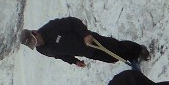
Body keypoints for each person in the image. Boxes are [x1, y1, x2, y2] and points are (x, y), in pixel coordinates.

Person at [19, 17, 150, 67]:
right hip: (87, 52)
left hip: (90, 40)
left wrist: (85, 34)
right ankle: (131, 58)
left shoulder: (52, 27)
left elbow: (73, 22)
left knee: (116, 46)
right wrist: (74, 61)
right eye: (33, 45)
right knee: (111, 58)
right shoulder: (42, 50)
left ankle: (139, 50)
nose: (36, 44)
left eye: (35, 41)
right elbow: (60, 55)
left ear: (35, 33)